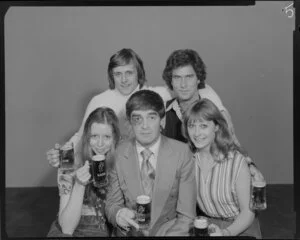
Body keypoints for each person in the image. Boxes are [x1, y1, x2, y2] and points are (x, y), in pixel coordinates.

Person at [46, 48, 224, 168]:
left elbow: (196, 88)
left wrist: (222, 112)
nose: (124, 80)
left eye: (129, 73)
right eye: (118, 74)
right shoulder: (99, 100)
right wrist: (62, 154)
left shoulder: (156, 94)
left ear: (139, 73)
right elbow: (81, 135)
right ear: (111, 76)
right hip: (111, 165)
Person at [162, 49, 264, 181]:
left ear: (198, 78)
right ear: (171, 81)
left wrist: (250, 165)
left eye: (189, 77)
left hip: (213, 186)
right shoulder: (163, 112)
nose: (183, 85)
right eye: (177, 78)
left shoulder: (212, 109)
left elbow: (231, 143)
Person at [105, 89, 196, 236]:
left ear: (163, 120)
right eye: (138, 119)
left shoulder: (182, 153)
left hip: (170, 232)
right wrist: (119, 214)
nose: (145, 126)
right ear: (129, 123)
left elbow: (186, 216)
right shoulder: (118, 153)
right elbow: (111, 204)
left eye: (151, 117)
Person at [182, 98, 262, 238]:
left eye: (203, 126)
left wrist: (226, 233)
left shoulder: (236, 161)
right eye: (191, 126)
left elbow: (248, 212)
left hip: (241, 227)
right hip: (208, 226)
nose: (196, 133)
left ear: (217, 127)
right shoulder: (188, 160)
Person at [47, 107, 120, 237]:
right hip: (69, 227)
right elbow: (67, 228)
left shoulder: (122, 160)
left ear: (115, 138)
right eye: (94, 136)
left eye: (107, 137)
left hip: (102, 227)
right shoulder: (69, 162)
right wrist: (79, 185)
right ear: (86, 137)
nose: (100, 144)